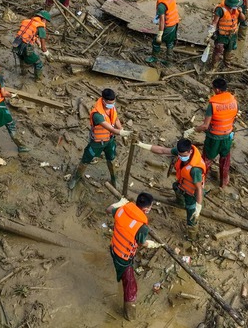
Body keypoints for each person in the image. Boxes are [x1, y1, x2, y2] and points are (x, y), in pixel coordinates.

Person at [106, 192, 159, 321]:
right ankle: (129, 315)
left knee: (124, 276)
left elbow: (108, 209)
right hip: (123, 257)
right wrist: (150, 244)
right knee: (130, 285)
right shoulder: (142, 228)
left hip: (113, 248)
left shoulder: (122, 210)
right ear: (146, 209)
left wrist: (120, 203)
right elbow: (141, 242)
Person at [68, 88, 132, 190]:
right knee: (85, 160)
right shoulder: (97, 114)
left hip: (110, 141)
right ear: (103, 100)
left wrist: (121, 128)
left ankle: (114, 180)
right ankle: (76, 178)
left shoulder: (111, 108)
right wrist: (123, 133)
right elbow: (110, 128)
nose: (112, 105)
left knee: (111, 160)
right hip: (97, 142)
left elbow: (115, 119)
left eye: (113, 102)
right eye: (110, 103)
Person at [137, 139, 206, 230]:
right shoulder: (180, 152)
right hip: (183, 184)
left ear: (190, 151)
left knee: (191, 213)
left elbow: (199, 188)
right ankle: (180, 202)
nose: (181, 157)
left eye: (184, 156)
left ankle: (191, 233)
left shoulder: (195, 170)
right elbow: (162, 150)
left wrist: (198, 208)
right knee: (175, 186)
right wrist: (142, 145)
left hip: (191, 193)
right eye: (180, 155)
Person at [185, 77, 237, 186]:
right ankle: (224, 182)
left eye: (213, 88)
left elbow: (205, 126)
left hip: (214, 138)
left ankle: (201, 181)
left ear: (217, 90)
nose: (212, 90)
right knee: (225, 160)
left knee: (206, 160)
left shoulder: (213, 105)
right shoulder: (233, 100)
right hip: (227, 136)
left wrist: (192, 130)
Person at [207, 0, 245, 69]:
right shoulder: (220, 10)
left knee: (229, 50)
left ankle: (227, 65)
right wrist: (210, 32)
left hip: (232, 35)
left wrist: (241, 12)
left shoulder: (237, 9)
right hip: (222, 35)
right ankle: (214, 65)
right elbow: (214, 22)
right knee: (218, 51)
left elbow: (243, 19)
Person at [14, 11, 51, 80]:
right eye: (47, 21)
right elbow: (43, 47)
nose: (46, 23)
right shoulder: (41, 27)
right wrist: (47, 54)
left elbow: (32, 36)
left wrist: (39, 45)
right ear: (43, 19)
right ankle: (38, 79)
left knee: (21, 57)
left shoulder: (27, 21)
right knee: (38, 62)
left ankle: (23, 72)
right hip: (26, 46)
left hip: (16, 43)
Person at [147, 0, 179, 64]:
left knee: (156, 42)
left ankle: (154, 58)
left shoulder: (161, 5)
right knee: (170, 42)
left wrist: (160, 34)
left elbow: (162, 20)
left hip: (168, 25)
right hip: (174, 22)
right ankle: (169, 61)